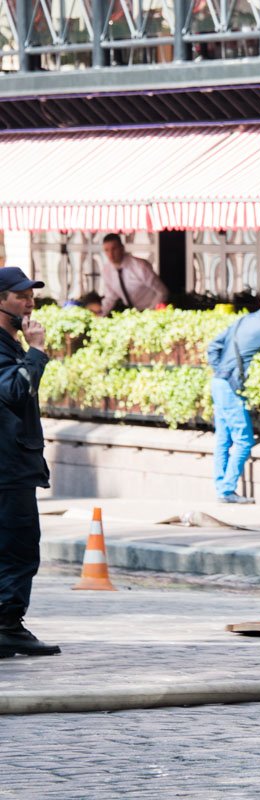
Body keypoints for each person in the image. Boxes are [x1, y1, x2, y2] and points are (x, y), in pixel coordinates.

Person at [0, 267, 60, 659]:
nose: (29, 302)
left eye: (30, 295)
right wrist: (37, 351)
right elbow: (15, 390)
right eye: (20, 295)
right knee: (19, 548)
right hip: (7, 469)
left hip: (12, 464)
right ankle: (7, 626)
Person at [206, 291, 260, 504]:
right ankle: (226, 490)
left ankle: (220, 487)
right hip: (232, 388)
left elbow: (213, 346)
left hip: (218, 382)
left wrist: (221, 370)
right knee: (243, 440)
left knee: (223, 439)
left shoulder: (243, 320)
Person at [99, 234, 168, 315]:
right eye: (107, 250)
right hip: (132, 312)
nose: (111, 254)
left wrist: (150, 312)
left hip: (152, 310)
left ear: (122, 248)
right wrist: (100, 315)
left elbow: (162, 292)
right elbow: (110, 297)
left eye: (114, 249)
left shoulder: (139, 266)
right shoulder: (107, 270)